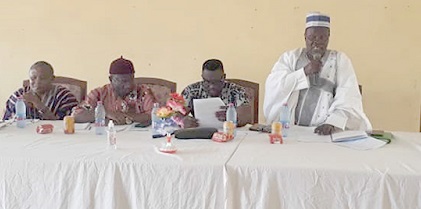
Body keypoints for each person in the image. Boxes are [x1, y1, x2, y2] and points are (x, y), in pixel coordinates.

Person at [263, 12, 372, 135]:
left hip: (326, 131)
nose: (317, 42)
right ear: (305, 36)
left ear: (328, 37)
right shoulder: (290, 57)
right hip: (292, 129)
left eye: (322, 38)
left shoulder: (340, 60)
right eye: (312, 37)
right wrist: (304, 72)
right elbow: (274, 85)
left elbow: (348, 96)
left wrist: (333, 122)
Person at [73, 56, 156, 125]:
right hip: (103, 138)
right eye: (123, 81)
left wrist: (124, 116)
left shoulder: (144, 92)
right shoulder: (99, 94)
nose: (128, 85)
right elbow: (77, 115)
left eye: (131, 80)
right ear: (111, 79)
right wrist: (105, 113)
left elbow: (154, 115)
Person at [181, 59, 251, 128]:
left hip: (230, 133)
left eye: (216, 82)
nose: (212, 86)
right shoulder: (191, 90)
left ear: (224, 77)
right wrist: (182, 121)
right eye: (207, 82)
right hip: (199, 134)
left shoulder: (237, 91)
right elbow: (175, 114)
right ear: (202, 77)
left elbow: (245, 117)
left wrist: (232, 116)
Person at [3, 61, 78, 120]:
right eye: (33, 78)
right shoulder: (19, 94)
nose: (37, 82)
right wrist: (21, 109)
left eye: (43, 78)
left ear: (52, 79)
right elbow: (7, 122)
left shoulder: (65, 96)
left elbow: (66, 124)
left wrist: (38, 104)